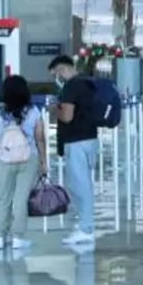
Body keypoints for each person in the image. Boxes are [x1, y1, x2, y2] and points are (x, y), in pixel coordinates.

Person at [0, 75, 47, 250]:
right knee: (21, 199)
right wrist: (43, 162)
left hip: (4, 158)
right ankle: (18, 238)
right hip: (29, 158)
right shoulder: (33, 111)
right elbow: (40, 138)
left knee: (3, 198)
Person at [49, 55, 99, 246]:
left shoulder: (71, 86)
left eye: (56, 73)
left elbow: (67, 116)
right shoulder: (87, 83)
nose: (57, 78)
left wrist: (55, 109)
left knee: (80, 186)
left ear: (62, 69)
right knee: (84, 184)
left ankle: (86, 228)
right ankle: (85, 226)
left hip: (76, 140)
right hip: (90, 138)